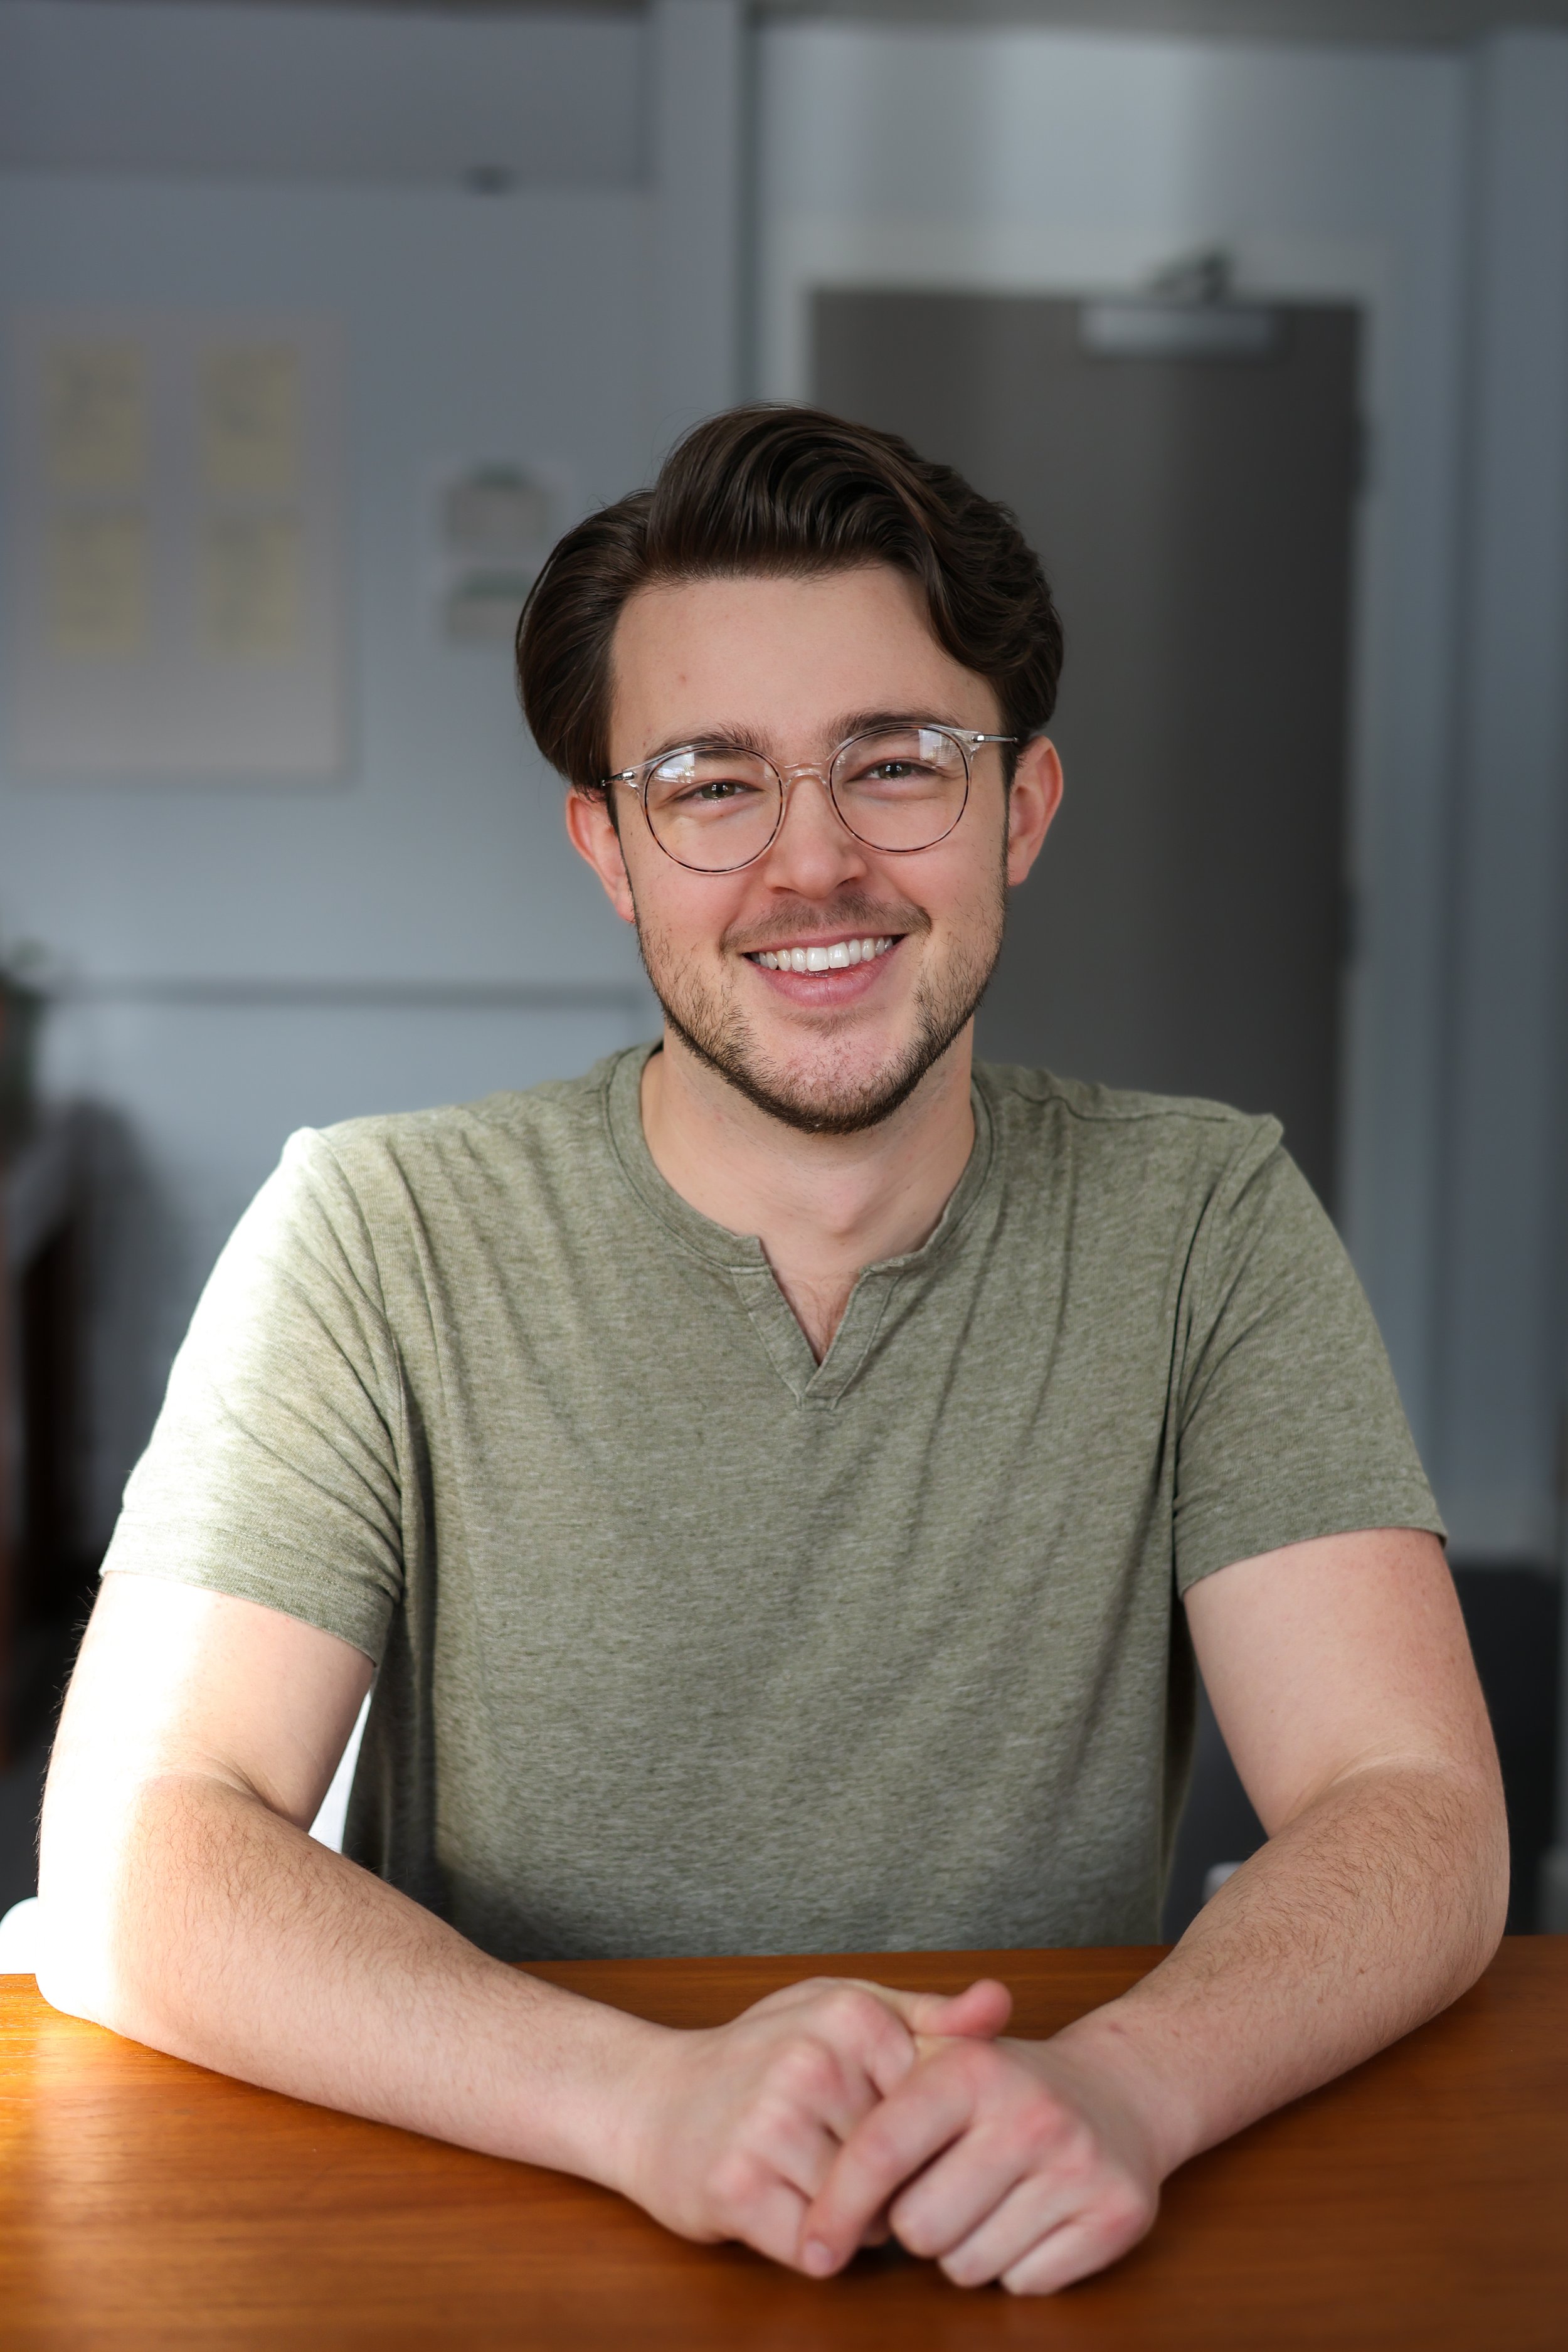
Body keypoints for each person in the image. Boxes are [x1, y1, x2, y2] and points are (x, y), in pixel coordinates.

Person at [38, 406, 1506, 2298]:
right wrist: (643, 2104)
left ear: (1021, 809)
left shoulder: (1205, 1219)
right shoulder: (375, 1229)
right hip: (509, 2218)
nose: (812, 865)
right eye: (709, 785)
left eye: (894, 765)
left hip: (1019, 2229)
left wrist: (1131, 2088)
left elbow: (1414, 1804)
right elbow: (136, 1847)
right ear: (611, 848)